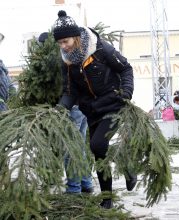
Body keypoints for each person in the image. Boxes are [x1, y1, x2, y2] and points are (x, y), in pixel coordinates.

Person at [52, 10, 137, 209]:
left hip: (113, 103)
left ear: (75, 36)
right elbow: (69, 90)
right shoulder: (67, 61)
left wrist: (126, 91)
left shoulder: (100, 49)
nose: (63, 46)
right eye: (60, 43)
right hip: (91, 109)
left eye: (65, 41)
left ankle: (125, 168)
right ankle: (107, 199)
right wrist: (60, 108)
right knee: (98, 152)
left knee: (98, 145)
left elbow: (126, 69)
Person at [38, 32, 93, 194]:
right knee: (79, 146)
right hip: (81, 107)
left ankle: (74, 188)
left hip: (72, 108)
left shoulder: (59, 59)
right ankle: (86, 182)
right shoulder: (69, 54)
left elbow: (60, 86)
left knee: (70, 147)